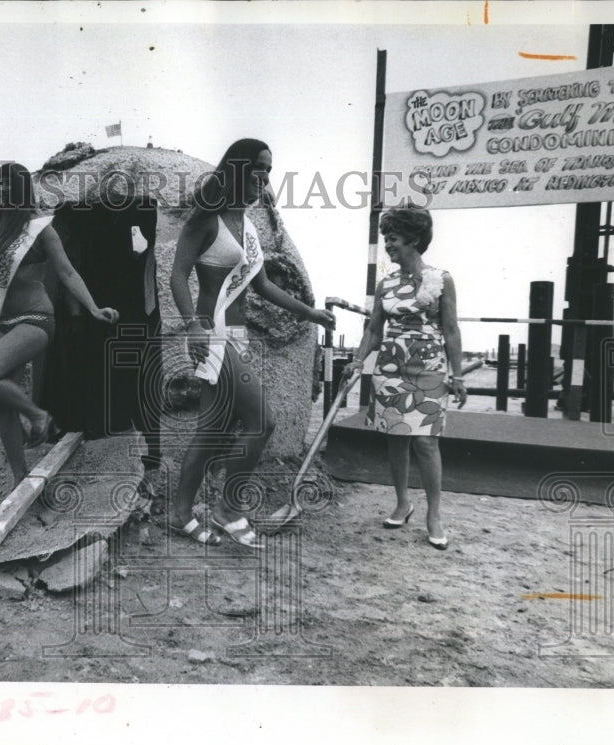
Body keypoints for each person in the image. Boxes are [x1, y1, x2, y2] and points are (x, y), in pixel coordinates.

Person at [168, 138, 336, 548]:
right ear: (239, 168)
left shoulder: (248, 226)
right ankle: (228, 508)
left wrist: (308, 312)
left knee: (210, 431)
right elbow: (177, 275)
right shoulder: (207, 220)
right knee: (263, 422)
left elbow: (260, 284)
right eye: (260, 167)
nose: (265, 177)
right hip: (214, 335)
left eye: (269, 170)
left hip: (237, 337)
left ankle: (179, 512)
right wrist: (192, 326)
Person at [0, 162, 119, 484]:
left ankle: (38, 415)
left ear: (21, 190)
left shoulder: (41, 228)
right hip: (4, 323)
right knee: (1, 402)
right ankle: (20, 476)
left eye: (8, 185)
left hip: (36, 319)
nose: (1, 190)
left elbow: (67, 273)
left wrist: (93, 308)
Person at [342, 207, 467, 550]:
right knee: (396, 438)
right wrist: (356, 361)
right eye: (385, 239)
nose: (388, 245)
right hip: (390, 368)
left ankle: (434, 515)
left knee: (426, 442)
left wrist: (457, 376)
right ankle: (402, 502)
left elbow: (452, 330)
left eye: (393, 239)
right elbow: (373, 330)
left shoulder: (442, 279)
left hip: (428, 368)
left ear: (413, 239)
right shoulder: (386, 284)